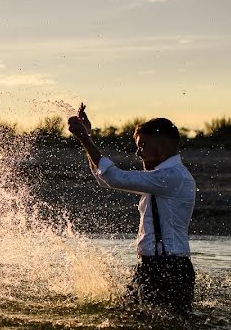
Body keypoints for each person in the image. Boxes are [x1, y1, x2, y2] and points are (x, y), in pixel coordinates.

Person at [67, 104, 196, 310]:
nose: (138, 153)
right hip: (153, 267)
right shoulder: (161, 177)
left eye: (142, 145)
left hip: (169, 269)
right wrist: (87, 139)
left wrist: (85, 139)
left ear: (161, 145)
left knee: (162, 329)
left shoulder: (171, 177)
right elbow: (106, 179)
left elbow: (114, 177)